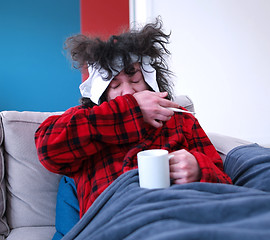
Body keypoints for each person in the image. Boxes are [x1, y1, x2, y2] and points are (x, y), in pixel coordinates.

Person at [35, 19, 232, 218]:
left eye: (135, 80)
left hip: (180, 213)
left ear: (149, 80)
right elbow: (47, 150)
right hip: (116, 222)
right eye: (115, 85)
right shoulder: (84, 120)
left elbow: (225, 183)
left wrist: (199, 169)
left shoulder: (180, 119)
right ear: (102, 93)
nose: (128, 91)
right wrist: (131, 111)